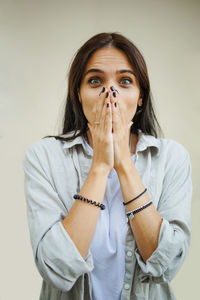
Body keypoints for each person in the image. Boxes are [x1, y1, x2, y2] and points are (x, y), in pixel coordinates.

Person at [23, 32, 193, 300]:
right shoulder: (44, 157)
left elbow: (167, 264)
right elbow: (55, 268)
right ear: (78, 93)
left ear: (140, 97)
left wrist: (123, 162)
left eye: (125, 81)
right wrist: (100, 166)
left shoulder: (172, 158)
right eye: (95, 81)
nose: (109, 94)